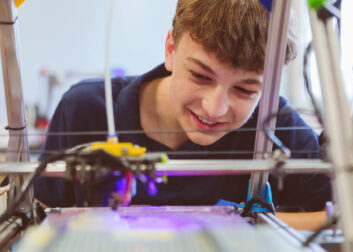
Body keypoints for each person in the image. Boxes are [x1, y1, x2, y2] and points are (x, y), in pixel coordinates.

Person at [34, 0, 331, 211]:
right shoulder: (87, 110)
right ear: (171, 49)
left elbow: (337, 217)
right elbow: (42, 216)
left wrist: (251, 224)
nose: (214, 109)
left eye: (244, 89)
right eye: (201, 76)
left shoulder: (275, 126)